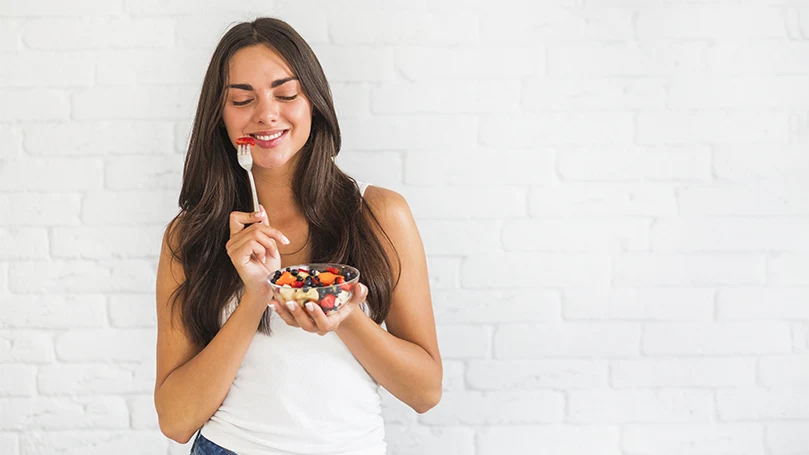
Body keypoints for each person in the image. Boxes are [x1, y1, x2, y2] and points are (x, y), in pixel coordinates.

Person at [153, 17, 442, 455]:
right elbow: (176, 421)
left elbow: (425, 392)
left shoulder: (380, 214)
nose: (266, 113)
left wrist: (345, 315)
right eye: (241, 99)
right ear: (220, 117)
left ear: (314, 102)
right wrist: (254, 295)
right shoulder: (189, 237)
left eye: (286, 93)